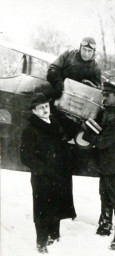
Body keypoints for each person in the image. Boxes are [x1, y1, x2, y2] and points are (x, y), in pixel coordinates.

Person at [20, 92, 76, 253]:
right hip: (42, 178)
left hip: (58, 174)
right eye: (41, 108)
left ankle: (54, 235)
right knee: (42, 210)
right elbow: (26, 157)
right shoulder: (30, 130)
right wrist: (43, 170)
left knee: (56, 206)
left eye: (46, 106)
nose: (45, 109)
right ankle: (41, 242)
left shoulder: (54, 123)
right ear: (34, 111)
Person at [83, 81, 115, 250]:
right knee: (104, 194)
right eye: (103, 94)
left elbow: (102, 142)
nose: (104, 97)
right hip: (106, 162)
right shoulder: (110, 109)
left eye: (107, 95)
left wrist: (87, 135)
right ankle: (105, 225)